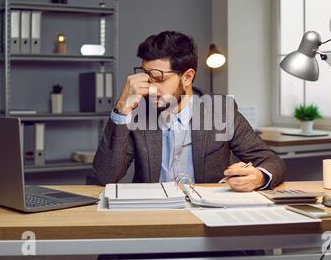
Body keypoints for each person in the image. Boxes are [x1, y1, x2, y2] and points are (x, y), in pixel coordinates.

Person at [93, 31, 285, 191]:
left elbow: (271, 161)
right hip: (152, 213)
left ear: (187, 77)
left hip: (207, 214)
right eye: (146, 76)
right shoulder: (138, 112)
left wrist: (259, 177)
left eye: (158, 78)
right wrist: (121, 108)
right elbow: (105, 175)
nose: (151, 88)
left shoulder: (220, 110)